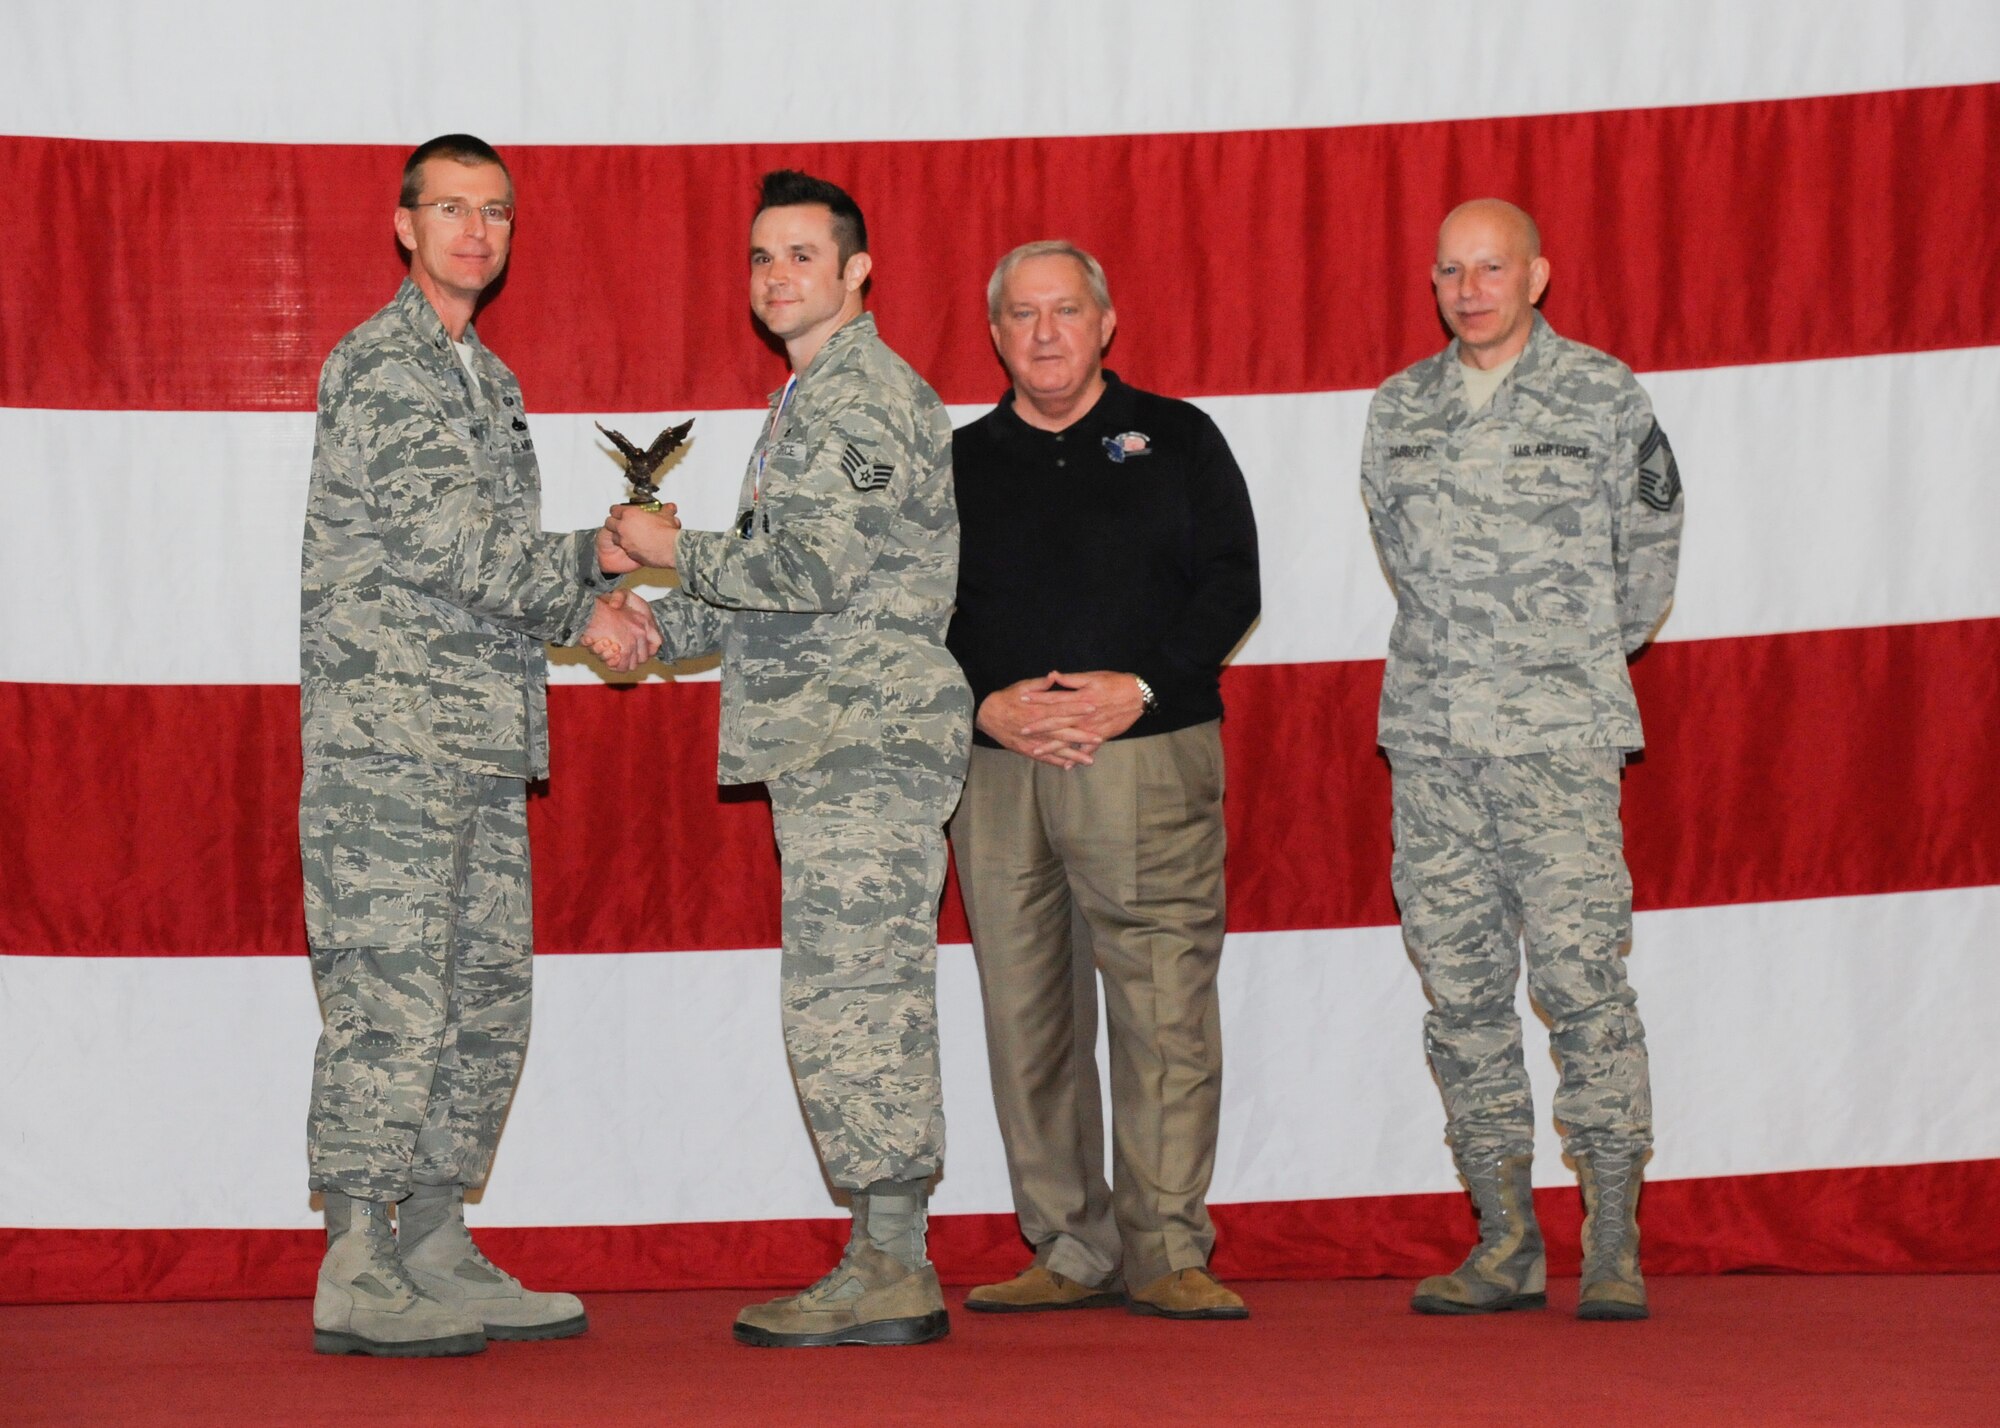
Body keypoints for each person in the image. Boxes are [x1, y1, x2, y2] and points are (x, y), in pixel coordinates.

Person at [300, 133, 659, 1357]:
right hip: (387, 744)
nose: (474, 231)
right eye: (449, 209)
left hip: (479, 742)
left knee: (480, 1002)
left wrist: (593, 575)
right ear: (403, 226)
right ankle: (355, 1256)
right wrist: (590, 596)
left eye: (495, 212)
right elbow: (445, 545)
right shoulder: (385, 365)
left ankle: (433, 1240)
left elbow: (481, 560)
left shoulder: (486, 378)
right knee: (389, 1000)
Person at [603, 170, 969, 1349]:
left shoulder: (860, 396)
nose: (776, 277)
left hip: (863, 739)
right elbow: (783, 584)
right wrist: (661, 627)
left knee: (855, 999)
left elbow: (807, 572)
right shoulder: (809, 402)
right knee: (839, 997)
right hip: (832, 735)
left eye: (801, 254)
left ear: (858, 272)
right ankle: (882, 1254)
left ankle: (892, 1264)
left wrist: (666, 548)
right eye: (761, 257)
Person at [1360, 199, 1683, 1321]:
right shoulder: (1400, 407)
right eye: (1449, 270)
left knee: (1584, 985)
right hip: (1435, 746)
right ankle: (1502, 1238)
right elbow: (1399, 551)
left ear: (1536, 274)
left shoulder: (1601, 394)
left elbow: (1644, 560)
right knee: (1460, 996)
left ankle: (1609, 1240)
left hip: (1557, 743)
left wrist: (1563, 661)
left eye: (1490, 267)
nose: (1469, 288)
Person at [945, 241, 1260, 1320]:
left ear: (1105, 322)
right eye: (1021, 315)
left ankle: (1166, 1245)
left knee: (1162, 1003)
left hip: (1143, 753)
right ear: (994, 334)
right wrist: (981, 700)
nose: (1043, 333)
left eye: (1064, 311)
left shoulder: (1177, 438)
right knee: (1023, 1010)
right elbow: (911, 614)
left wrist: (1140, 689)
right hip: (998, 767)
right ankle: (1066, 1243)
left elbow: (1231, 585)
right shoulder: (956, 461)